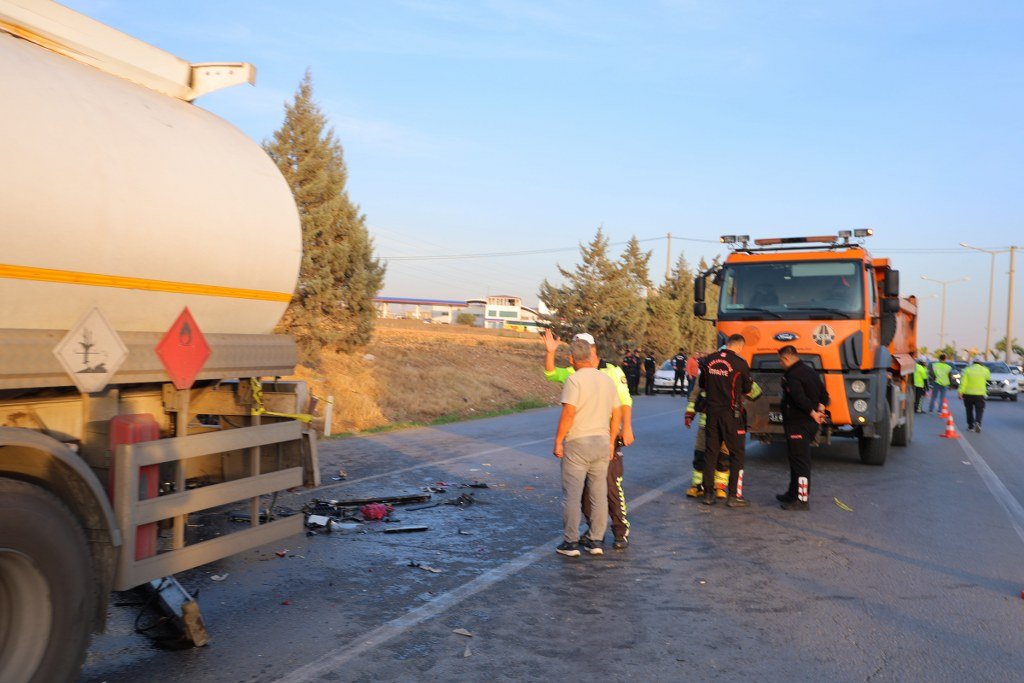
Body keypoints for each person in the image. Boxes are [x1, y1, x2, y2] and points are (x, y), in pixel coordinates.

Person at [543, 330, 635, 549]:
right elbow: (551, 374)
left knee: (609, 487)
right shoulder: (577, 373)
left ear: (592, 348)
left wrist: (626, 428)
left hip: (593, 438)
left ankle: (617, 531)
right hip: (602, 439)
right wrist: (550, 352)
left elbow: (625, 401)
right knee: (593, 492)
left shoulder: (611, 371)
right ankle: (595, 536)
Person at [700, 334, 760, 507]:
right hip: (731, 415)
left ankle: (708, 494)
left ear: (727, 344)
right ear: (740, 346)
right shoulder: (740, 364)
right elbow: (747, 389)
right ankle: (733, 495)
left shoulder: (709, 360)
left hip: (712, 413)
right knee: (737, 454)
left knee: (711, 453)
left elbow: (703, 384)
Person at [776, 345, 829, 511]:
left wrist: (813, 413)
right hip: (807, 424)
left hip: (798, 423)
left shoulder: (792, 375)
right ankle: (792, 493)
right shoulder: (810, 371)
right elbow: (824, 395)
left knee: (800, 461)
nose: (780, 364)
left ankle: (802, 499)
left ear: (786, 358)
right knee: (795, 459)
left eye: (780, 361)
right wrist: (820, 410)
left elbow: (799, 399)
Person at [684, 384, 731, 499]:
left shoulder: (732, 373)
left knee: (723, 457)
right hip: (705, 426)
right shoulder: (704, 375)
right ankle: (698, 486)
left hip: (725, 426)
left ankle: (720, 486)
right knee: (700, 455)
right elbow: (695, 396)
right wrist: (690, 414)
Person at [958, 357, 990, 433]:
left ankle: (970, 426)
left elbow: (963, 382)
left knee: (969, 410)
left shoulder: (967, 370)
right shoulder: (985, 370)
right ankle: (978, 422)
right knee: (979, 410)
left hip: (968, 394)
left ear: (973, 363)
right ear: (981, 363)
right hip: (980, 394)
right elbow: (988, 379)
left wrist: (960, 392)